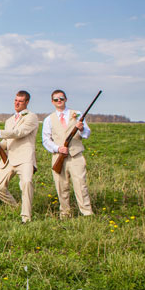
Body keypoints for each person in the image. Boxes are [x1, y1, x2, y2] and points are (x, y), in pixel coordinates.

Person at [0, 91, 39, 223]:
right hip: (9, 158)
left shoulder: (31, 117)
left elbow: (19, 133)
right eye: (15, 100)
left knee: (27, 183)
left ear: (27, 102)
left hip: (25, 157)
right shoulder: (9, 120)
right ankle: (15, 207)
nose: (17, 103)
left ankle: (26, 217)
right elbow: (8, 141)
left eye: (20, 101)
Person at [41, 89, 94, 219]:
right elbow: (46, 140)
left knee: (81, 185)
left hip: (76, 156)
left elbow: (87, 134)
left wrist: (81, 129)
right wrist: (58, 148)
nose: (59, 101)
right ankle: (65, 213)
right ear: (52, 102)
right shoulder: (49, 119)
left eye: (61, 98)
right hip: (58, 156)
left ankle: (87, 213)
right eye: (56, 99)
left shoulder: (77, 114)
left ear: (66, 99)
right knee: (61, 187)